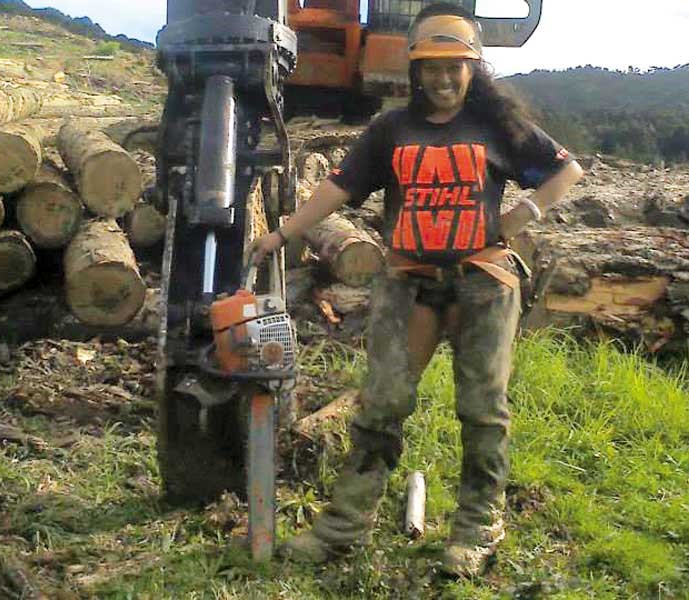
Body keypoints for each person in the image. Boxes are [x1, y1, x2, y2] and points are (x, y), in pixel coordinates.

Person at [251, 1, 584, 578]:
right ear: (416, 68)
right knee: (380, 406)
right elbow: (338, 188)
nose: (444, 77)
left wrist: (525, 212)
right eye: (432, 66)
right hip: (409, 283)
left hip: (484, 283)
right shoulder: (390, 129)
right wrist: (282, 233)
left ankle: (479, 528)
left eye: (455, 66)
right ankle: (342, 528)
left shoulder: (497, 126)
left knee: (484, 412)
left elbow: (566, 170)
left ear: (473, 68)